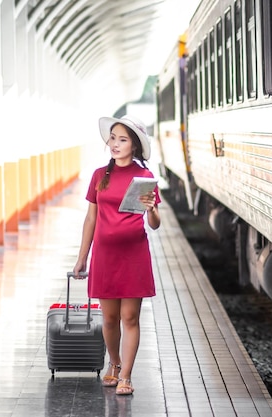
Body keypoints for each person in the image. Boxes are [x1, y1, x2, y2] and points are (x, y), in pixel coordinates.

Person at [73, 114, 161, 395]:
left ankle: (126, 375)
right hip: (105, 255)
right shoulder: (100, 175)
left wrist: (152, 209)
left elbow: (155, 224)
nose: (115, 144)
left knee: (130, 317)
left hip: (134, 254)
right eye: (113, 138)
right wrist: (82, 257)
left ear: (134, 145)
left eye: (122, 139)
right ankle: (114, 362)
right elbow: (90, 219)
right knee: (109, 318)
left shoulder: (144, 177)